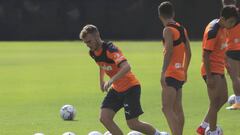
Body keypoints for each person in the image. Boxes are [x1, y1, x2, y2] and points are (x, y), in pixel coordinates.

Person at [79, 24, 162, 135]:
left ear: (97, 36)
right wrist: (101, 81)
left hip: (130, 88)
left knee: (133, 124)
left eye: (89, 41)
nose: (87, 45)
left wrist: (111, 80)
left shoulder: (111, 49)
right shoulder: (93, 52)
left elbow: (127, 67)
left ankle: (159, 134)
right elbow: (101, 64)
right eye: (85, 43)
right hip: (117, 89)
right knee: (104, 118)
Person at [196, 6, 239, 135]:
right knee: (214, 102)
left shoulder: (224, 28)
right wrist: (209, 77)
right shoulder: (213, 31)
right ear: (222, 19)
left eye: (234, 23)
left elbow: (222, 49)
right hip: (211, 70)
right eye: (230, 22)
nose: (232, 25)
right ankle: (212, 131)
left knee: (224, 98)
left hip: (219, 68)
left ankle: (203, 126)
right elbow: (205, 55)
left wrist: (227, 65)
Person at [158, 2, 191, 135]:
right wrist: (185, 70)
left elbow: (169, 51)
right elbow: (189, 52)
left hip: (170, 74)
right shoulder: (182, 28)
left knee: (166, 108)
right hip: (180, 73)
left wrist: (163, 72)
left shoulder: (167, 30)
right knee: (178, 109)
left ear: (160, 16)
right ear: (173, 14)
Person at [224, 5, 240, 110]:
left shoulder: (227, 18)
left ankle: (238, 102)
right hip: (233, 49)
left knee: (235, 78)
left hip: (233, 50)